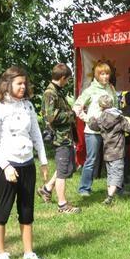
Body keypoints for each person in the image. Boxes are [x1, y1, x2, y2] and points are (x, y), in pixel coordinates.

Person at [0, 66, 48, 259]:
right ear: (7, 84)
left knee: (27, 210)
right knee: (3, 210)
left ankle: (28, 252)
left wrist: (43, 161)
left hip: (27, 165)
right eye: (19, 83)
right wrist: (5, 166)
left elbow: (36, 134)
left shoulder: (28, 106)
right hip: (6, 167)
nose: (23, 86)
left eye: (24, 83)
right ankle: (1, 253)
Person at [37, 63, 81, 213]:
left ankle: (47, 189)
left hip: (66, 136)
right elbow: (50, 117)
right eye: (67, 79)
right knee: (63, 171)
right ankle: (62, 205)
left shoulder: (57, 91)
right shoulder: (50, 93)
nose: (68, 82)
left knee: (67, 167)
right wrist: (73, 113)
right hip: (60, 138)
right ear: (62, 78)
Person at [73, 61, 118, 196]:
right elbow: (76, 107)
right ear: (97, 75)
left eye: (107, 74)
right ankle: (84, 189)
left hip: (109, 131)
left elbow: (116, 107)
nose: (105, 77)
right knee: (91, 160)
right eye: (102, 74)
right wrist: (89, 120)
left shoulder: (111, 89)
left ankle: (115, 188)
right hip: (93, 132)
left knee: (113, 159)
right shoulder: (90, 90)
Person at [88, 94, 130, 205]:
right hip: (117, 152)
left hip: (107, 152)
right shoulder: (119, 118)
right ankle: (109, 198)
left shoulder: (101, 118)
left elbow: (93, 126)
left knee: (111, 174)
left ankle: (114, 193)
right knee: (117, 174)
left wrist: (91, 118)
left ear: (101, 106)